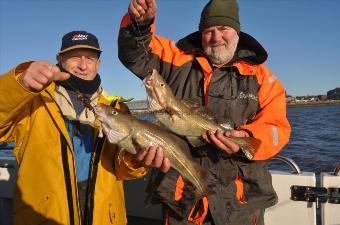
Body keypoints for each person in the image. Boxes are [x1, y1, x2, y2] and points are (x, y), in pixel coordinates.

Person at [118, 0, 291, 225]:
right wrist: (139, 25)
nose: (216, 37)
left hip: (240, 201)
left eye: (223, 29)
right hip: (182, 197)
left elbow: (277, 127)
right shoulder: (175, 57)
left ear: (236, 31)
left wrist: (247, 138)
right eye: (208, 31)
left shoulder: (263, 78)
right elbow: (135, 54)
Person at [0, 30, 170, 225]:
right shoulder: (32, 100)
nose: (83, 65)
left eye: (90, 58)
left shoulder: (116, 108)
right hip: (45, 217)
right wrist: (19, 85)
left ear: (98, 64)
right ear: (59, 59)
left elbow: (121, 168)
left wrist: (137, 160)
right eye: (74, 57)